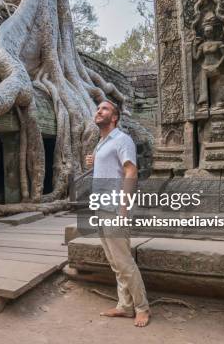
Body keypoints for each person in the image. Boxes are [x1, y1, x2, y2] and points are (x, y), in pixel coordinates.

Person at [85, 100, 150, 327]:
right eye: (97, 108)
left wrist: (124, 207)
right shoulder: (102, 142)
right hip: (100, 206)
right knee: (114, 261)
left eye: (104, 109)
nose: (98, 111)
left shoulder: (122, 139)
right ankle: (125, 306)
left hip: (114, 208)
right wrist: (93, 163)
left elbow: (131, 170)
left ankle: (142, 307)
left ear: (114, 117)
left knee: (124, 262)